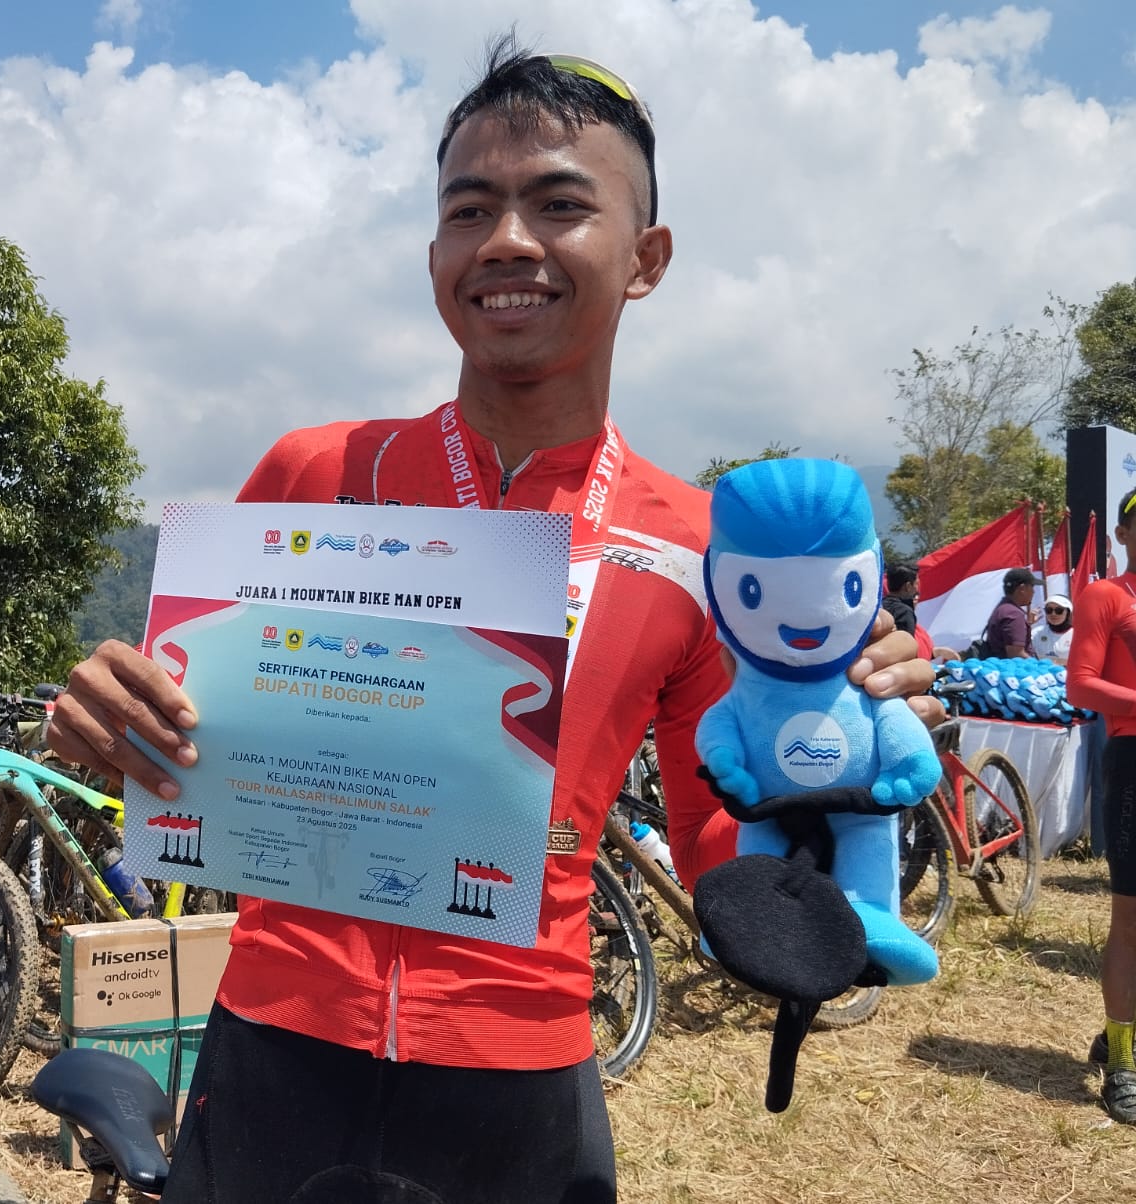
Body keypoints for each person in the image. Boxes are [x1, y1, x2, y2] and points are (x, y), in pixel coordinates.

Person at [48, 37, 937, 1202]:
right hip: (273, 1047)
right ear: (435, 256)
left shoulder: (703, 550)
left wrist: (839, 771)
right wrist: (104, 717)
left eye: (560, 204)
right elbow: (183, 747)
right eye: (469, 210)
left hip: (520, 1081)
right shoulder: (315, 476)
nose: (507, 240)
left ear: (646, 258)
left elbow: (720, 845)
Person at [1065, 485, 1136, 1125]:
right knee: (1131, 918)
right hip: (1133, 760)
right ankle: (1123, 1063)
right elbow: (1081, 685)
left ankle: (1120, 1032)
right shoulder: (1106, 595)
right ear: (1122, 534)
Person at [981, 567, 1040, 659]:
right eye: (1032, 586)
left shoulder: (1003, 608)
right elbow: (1016, 654)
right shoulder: (1014, 614)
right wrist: (1040, 665)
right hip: (1015, 667)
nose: (1033, 591)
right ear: (1022, 589)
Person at [1031, 593, 1074, 664]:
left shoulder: (1076, 635)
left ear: (1068, 613)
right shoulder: (1036, 633)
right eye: (1049, 610)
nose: (1053, 614)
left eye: (1059, 610)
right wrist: (1028, 624)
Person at [882, 562, 920, 636]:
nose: (917, 589)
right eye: (916, 583)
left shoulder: (879, 607)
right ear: (908, 586)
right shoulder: (904, 612)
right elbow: (906, 641)